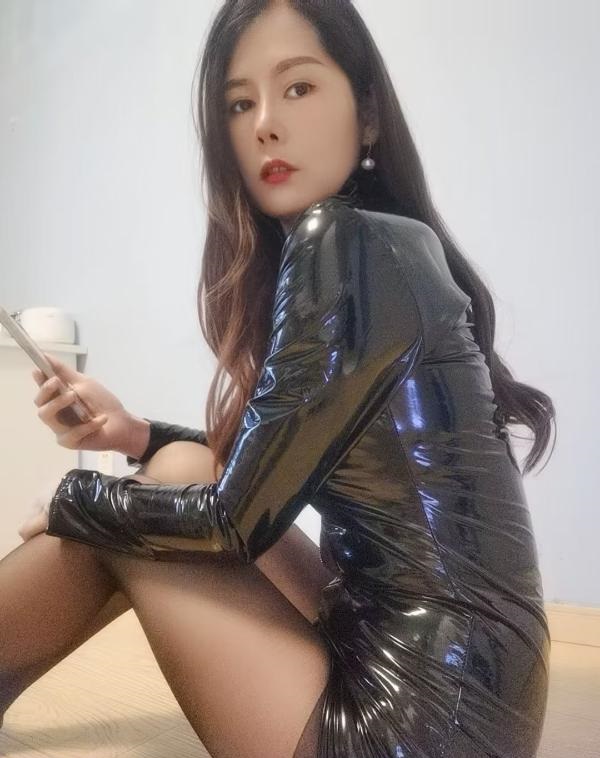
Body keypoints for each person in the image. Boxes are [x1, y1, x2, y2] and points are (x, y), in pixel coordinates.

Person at [0, 1, 556, 756]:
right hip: (473, 704)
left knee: (122, 517)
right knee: (180, 465)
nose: (265, 124)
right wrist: (132, 435)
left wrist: (75, 499)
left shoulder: (340, 241)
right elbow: (261, 473)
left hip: (416, 729)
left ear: (366, 115)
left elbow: (234, 523)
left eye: (298, 87)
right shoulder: (395, 245)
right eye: (240, 103)